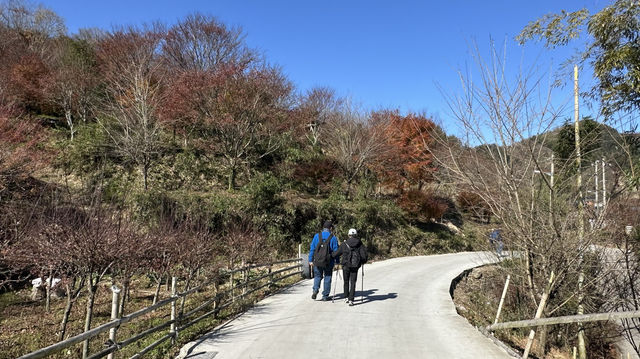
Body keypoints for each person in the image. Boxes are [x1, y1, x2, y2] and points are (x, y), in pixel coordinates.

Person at [332, 228, 367, 306]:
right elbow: (364, 255)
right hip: (355, 266)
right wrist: (362, 262)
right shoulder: (359, 243)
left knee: (346, 281)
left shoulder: (344, 244)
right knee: (353, 282)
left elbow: (336, 254)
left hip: (345, 265)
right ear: (356, 235)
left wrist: (331, 255)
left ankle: (346, 297)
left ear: (349, 235)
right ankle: (351, 299)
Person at [309, 220, 340, 301]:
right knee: (327, 277)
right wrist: (337, 262)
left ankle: (315, 290)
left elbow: (312, 249)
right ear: (331, 228)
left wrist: (310, 260)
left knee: (317, 276)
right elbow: (336, 251)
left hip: (317, 261)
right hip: (328, 262)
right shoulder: (333, 237)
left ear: (323, 227)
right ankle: (325, 296)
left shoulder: (317, 236)